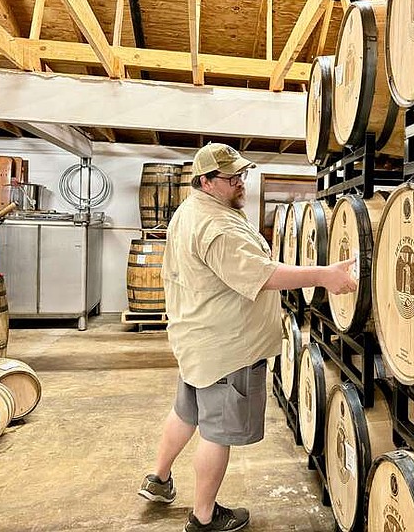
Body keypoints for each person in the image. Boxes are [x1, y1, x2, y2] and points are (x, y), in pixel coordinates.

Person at [137, 143, 357, 532]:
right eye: (231, 177)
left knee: (186, 411)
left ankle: (159, 478)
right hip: (225, 346)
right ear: (206, 181)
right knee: (217, 433)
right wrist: (323, 275)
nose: (241, 183)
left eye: (243, 174)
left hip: (196, 337)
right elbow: (264, 276)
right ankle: (204, 517)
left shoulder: (192, 209)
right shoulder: (217, 227)